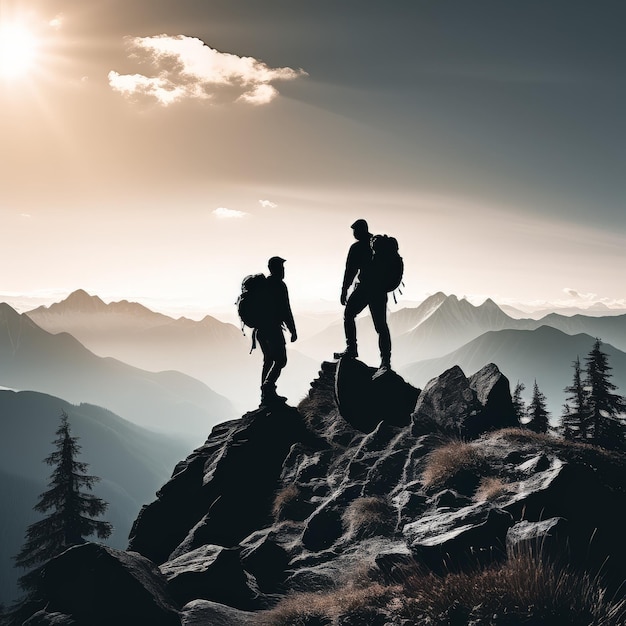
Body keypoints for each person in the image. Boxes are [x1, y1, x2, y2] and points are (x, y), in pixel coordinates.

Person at [334, 219, 392, 377]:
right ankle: (385, 361)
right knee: (381, 326)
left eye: (354, 230)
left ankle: (351, 349)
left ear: (360, 230)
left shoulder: (357, 247)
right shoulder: (378, 244)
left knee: (349, 315)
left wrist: (344, 290)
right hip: (380, 291)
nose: (353, 233)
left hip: (365, 288)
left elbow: (350, 270)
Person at [257, 256, 297, 405]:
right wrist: (293, 330)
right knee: (280, 360)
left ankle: (265, 396)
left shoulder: (263, 285)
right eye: (281, 267)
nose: (283, 270)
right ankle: (268, 388)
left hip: (261, 331)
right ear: (275, 269)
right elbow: (286, 309)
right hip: (273, 329)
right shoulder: (279, 285)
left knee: (268, 361)